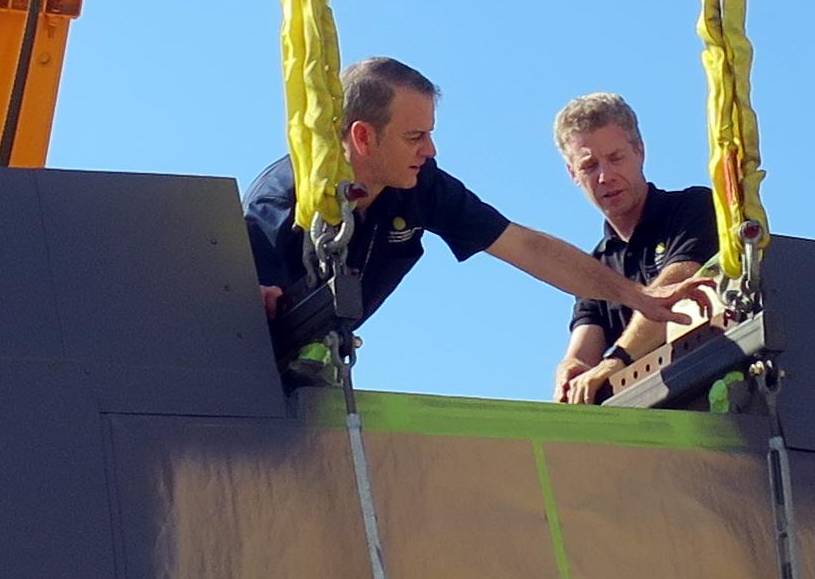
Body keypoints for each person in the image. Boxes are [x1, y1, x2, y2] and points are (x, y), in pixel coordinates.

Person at [243, 58, 698, 370]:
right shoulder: (277, 205)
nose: (430, 149)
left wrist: (638, 297)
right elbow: (234, 305)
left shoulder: (422, 184)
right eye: (415, 136)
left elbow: (525, 246)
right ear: (363, 137)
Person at [546, 92, 719, 404]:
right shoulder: (596, 265)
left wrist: (617, 361)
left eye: (615, 158)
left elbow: (675, 286)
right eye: (589, 165)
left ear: (639, 151)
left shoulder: (692, 208)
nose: (605, 176)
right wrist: (570, 372)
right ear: (573, 174)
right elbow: (583, 349)